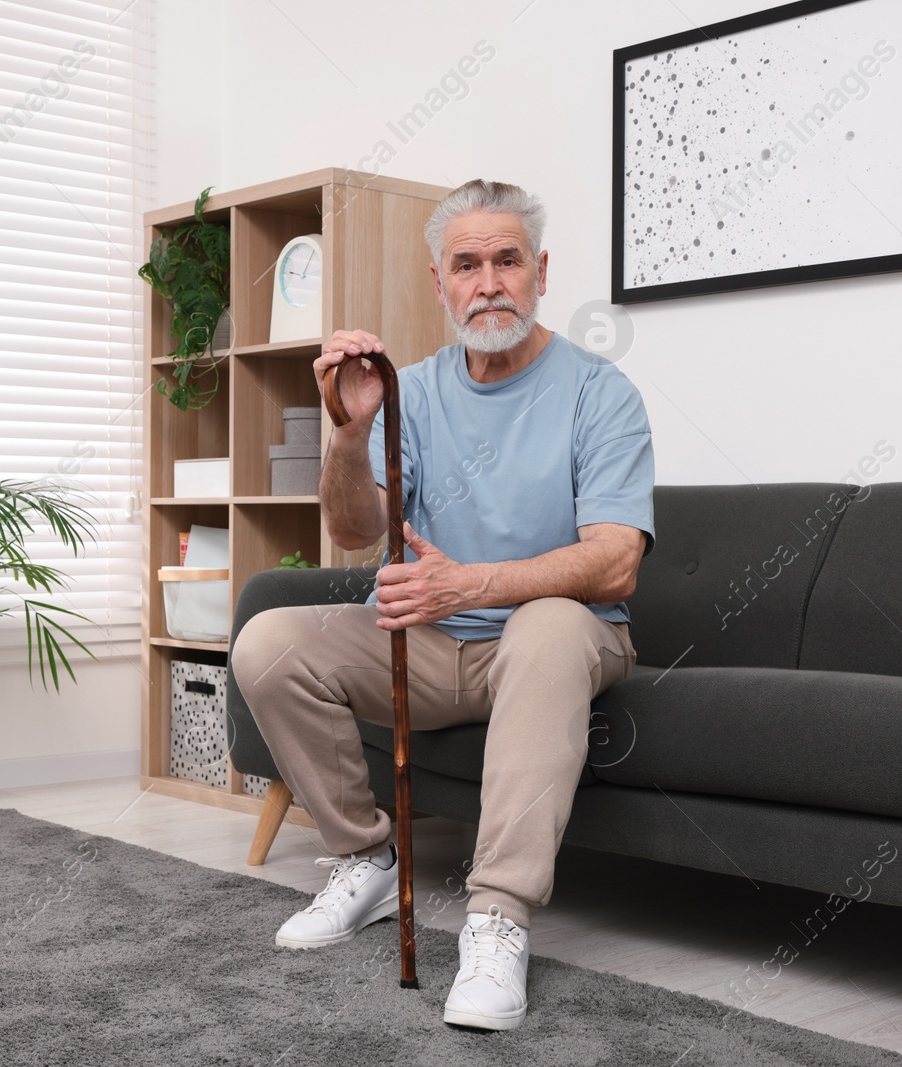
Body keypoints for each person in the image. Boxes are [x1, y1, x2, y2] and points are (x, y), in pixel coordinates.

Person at [232, 179, 654, 1031]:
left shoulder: (598, 392)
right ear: (439, 283)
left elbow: (615, 565)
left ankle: (497, 914)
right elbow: (355, 529)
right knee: (268, 640)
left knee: (541, 624)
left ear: (539, 271)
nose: (488, 281)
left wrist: (476, 583)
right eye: (467, 264)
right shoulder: (411, 393)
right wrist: (348, 434)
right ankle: (365, 859)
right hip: (435, 645)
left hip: (565, 641)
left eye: (506, 261)